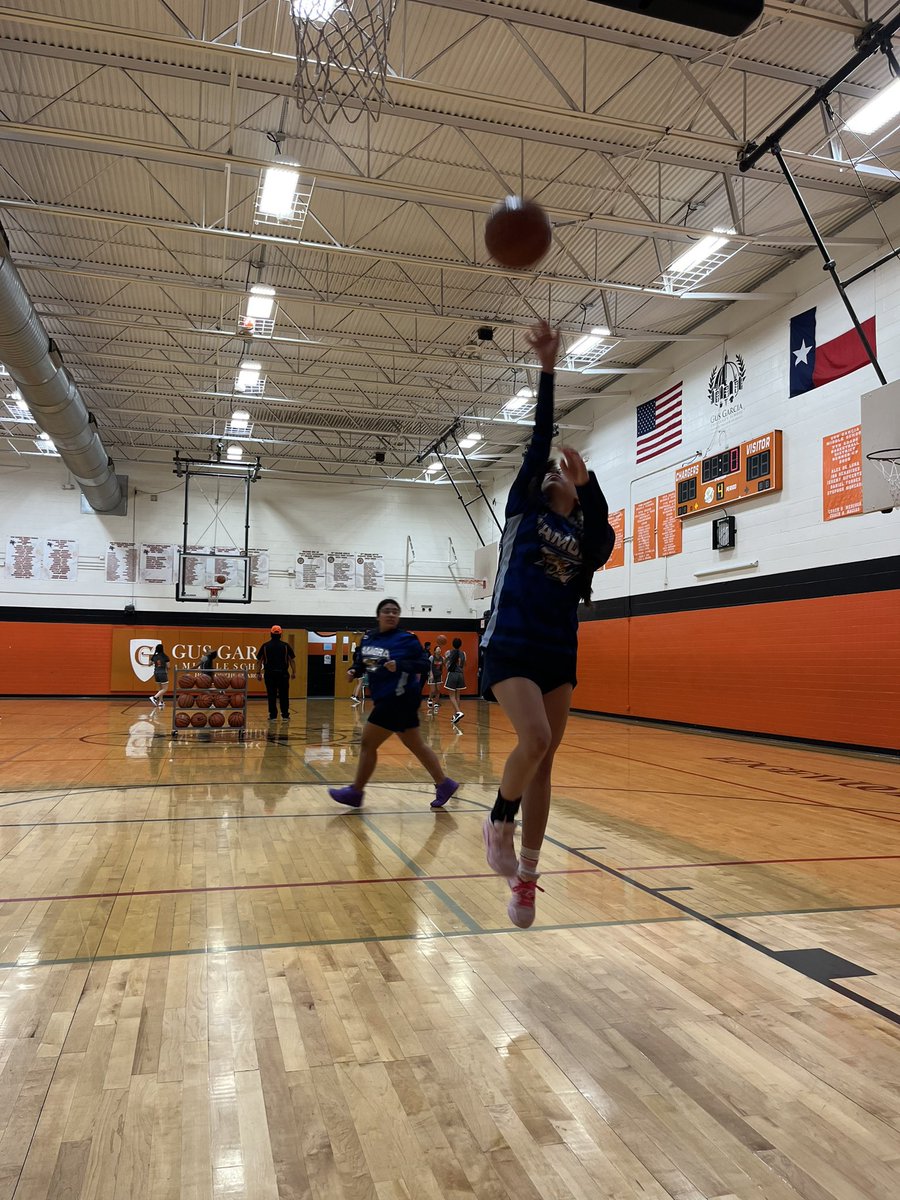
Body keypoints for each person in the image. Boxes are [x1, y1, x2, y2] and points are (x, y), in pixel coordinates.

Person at [480, 319, 616, 928]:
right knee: (532, 741)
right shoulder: (523, 512)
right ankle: (498, 820)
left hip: (559, 649)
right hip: (510, 641)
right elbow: (539, 443)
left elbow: (606, 540)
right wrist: (548, 369)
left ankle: (527, 881)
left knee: (546, 760)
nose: (558, 473)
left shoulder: (583, 530)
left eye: (568, 476)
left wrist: (589, 493)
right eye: (553, 474)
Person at [328, 599, 459, 810]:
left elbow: (423, 664)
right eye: (387, 611)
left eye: (395, 612)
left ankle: (356, 792)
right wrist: (355, 670)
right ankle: (444, 783)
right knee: (416, 744)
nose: (391, 615)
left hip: (399, 698)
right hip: (387, 698)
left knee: (368, 743)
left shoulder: (407, 640)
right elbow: (363, 660)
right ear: (378, 615)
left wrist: (399, 665)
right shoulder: (369, 638)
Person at [255, 625, 296, 720]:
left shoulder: (265, 646)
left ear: (271, 634)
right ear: (280, 634)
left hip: (270, 674)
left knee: (271, 695)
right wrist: (294, 672)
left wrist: (258, 673)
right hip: (283, 674)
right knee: (284, 695)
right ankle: (285, 715)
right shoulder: (286, 646)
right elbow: (292, 660)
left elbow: (259, 661)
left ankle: (273, 715)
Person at [444, 637, 467, 724]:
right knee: (458, 696)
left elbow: (445, 662)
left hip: (452, 674)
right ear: (460, 644)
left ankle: (458, 712)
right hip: (460, 675)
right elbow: (464, 664)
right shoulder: (463, 653)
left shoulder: (449, 652)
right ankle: (456, 715)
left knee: (452, 696)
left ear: (452, 644)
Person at [427, 634, 447, 711]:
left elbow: (446, 665)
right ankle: (429, 699)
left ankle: (436, 703)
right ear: (435, 651)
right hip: (432, 675)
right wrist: (431, 674)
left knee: (438, 690)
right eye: (438, 649)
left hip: (439, 675)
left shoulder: (442, 658)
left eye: (440, 649)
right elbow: (429, 667)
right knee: (433, 690)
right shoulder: (431, 657)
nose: (439, 650)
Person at [150, 643, 169, 708]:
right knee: (165, 689)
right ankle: (154, 697)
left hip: (156, 673)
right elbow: (168, 666)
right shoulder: (165, 656)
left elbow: (149, 664)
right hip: (163, 673)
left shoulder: (154, 656)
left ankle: (161, 702)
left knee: (160, 689)